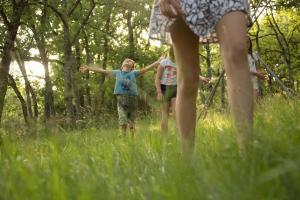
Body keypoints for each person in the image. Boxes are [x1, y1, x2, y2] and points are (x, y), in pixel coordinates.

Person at [150, 0, 254, 155]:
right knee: (188, 77)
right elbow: (158, 77)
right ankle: (187, 161)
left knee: (237, 51)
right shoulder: (164, 63)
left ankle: (248, 154)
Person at [80, 58, 161, 135]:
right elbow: (103, 71)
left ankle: (132, 138)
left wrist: (157, 62)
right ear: (122, 65)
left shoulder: (134, 73)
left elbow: (146, 69)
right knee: (122, 119)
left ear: (132, 68)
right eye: (126, 61)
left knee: (132, 122)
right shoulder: (117, 72)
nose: (127, 61)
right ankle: (123, 136)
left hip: (132, 100)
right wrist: (89, 68)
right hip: (121, 100)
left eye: (129, 61)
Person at [155, 47, 177, 134]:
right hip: (164, 88)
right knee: (165, 114)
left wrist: (201, 78)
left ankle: (180, 136)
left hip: (175, 88)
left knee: (176, 112)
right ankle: (164, 137)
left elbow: (189, 72)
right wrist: (159, 92)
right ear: (171, 52)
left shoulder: (181, 62)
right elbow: (157, 78)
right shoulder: (164, 62)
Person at [247, 36, 265, 100]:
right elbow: (244, 70)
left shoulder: (253, 54)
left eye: (248, 42)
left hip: (254, 80)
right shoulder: (241, 56)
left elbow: (258, 68)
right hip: (245, 80)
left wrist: (261, 74)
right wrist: (256, 74)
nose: (246, 44)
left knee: (256, 100)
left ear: (250, 44)